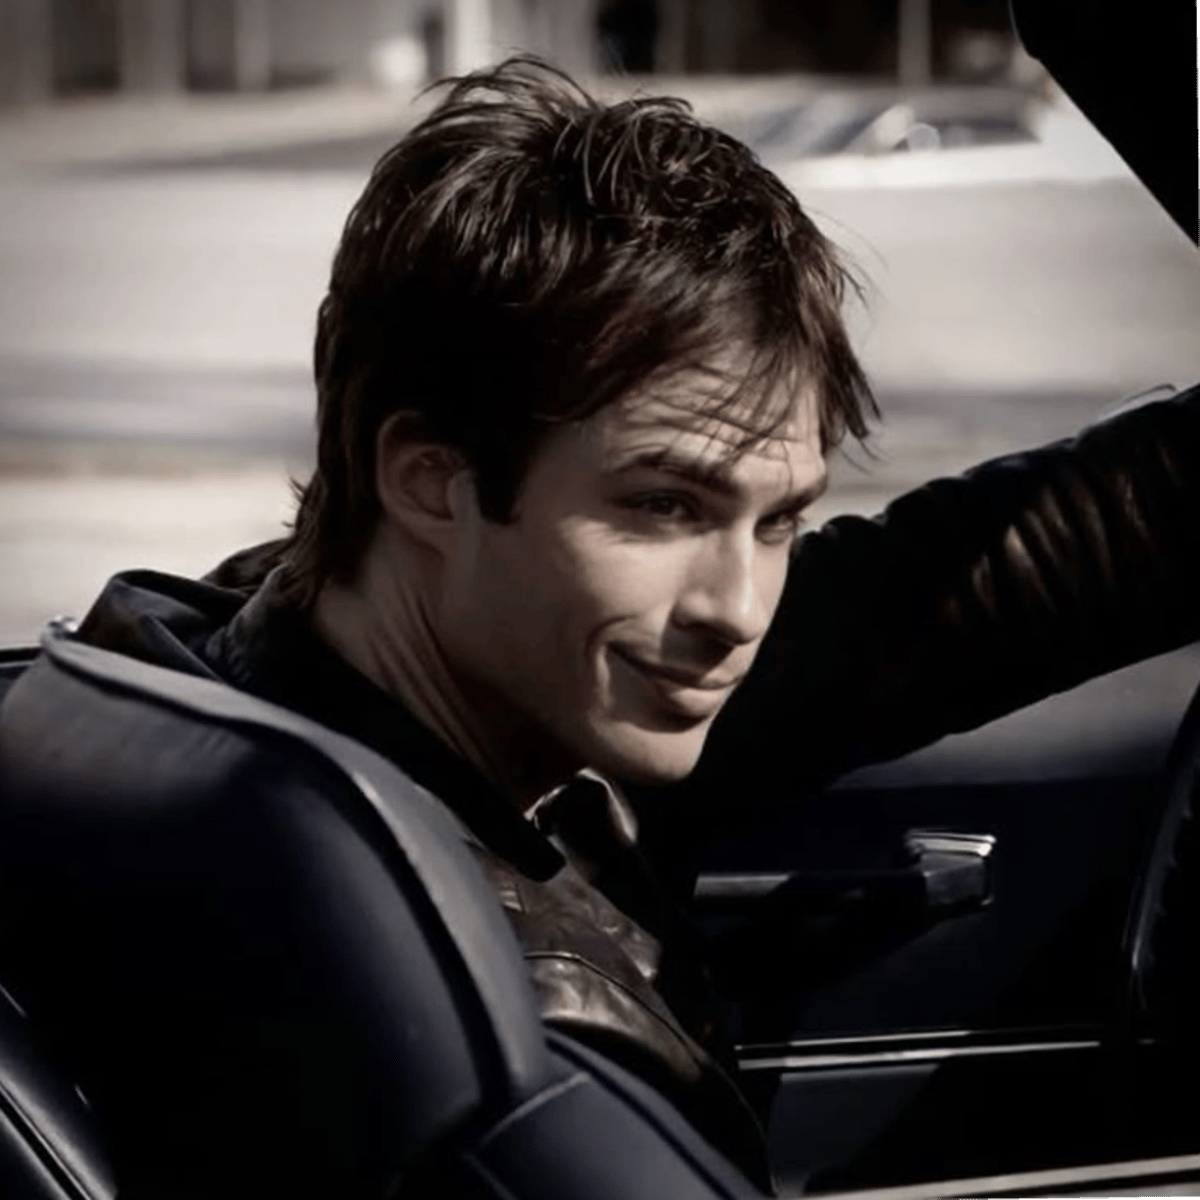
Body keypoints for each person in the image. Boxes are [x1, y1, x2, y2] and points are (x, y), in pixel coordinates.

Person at [74, 56, 1200, 1191]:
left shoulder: (267, 657)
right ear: (430, 481)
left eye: (779, 522)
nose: (737, 610)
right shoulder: (493, 1047)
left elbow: (938, 599)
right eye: (664, 507)